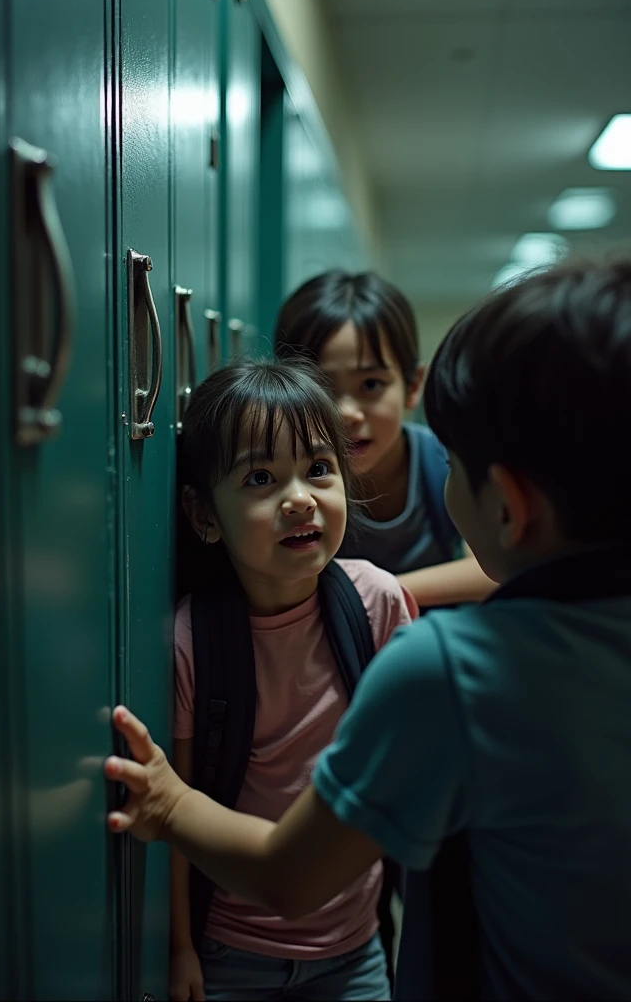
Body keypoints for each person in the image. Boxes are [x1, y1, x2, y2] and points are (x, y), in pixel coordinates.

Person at [105, 257, 631, 1001]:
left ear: (507, 504)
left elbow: (290, 875)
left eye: (452, 460)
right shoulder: (207, 636)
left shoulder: (445, 669)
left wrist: (168, 804)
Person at [167, 358, 415, 1001]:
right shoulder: (190, 641)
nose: (301, 496)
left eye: (319, 469)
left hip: (355, 949)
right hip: (232, 954)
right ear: (204, 515)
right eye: (260, 477)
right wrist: (182, 947)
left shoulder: (377, 603)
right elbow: (176, 812)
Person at [274, 270, 497, 609]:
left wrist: (377, 593)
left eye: (371, 385)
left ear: (412, 386)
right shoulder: (283, 485)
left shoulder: (444, 463)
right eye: (321, 387)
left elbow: (497, 570)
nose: (347, 412)